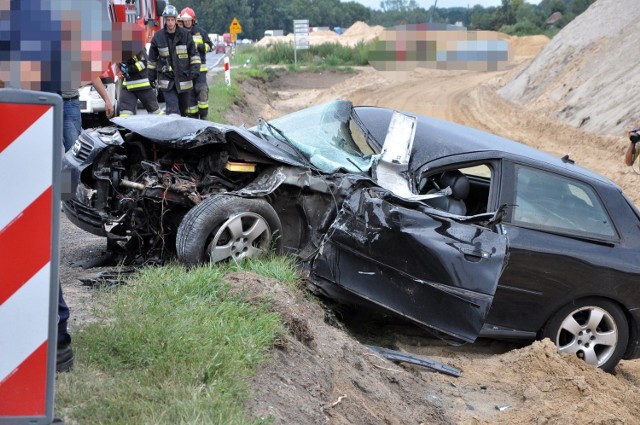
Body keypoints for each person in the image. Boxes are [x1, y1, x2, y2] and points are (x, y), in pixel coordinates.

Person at [148, 5, 201, 116]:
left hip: (184, 80)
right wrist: (151, 77)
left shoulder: (185, 35)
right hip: (167, 81)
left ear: (176, 19)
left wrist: (195, 71)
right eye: (168, 20)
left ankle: (182, 132)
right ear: (165, 20)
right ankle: (173, 132)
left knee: (183, 112)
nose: (170, 22)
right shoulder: (158, 37)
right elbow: (152, 60)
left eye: (172, 19)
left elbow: (194, 55)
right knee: (172, 110)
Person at [178, 7, 213, 120]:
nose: (187, 22)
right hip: (186, 72)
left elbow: (210, 46)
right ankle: (192, 119)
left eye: (189, 20)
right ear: (182, 21)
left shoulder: (201, 32)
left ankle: (204, 117)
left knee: (202, 92)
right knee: (189, 98)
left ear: (193, 20)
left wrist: (200, 47)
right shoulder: (179, 34)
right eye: (185, 20)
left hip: (200, 72)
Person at [117, 49, 162, 116]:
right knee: (125, 111)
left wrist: (129, 69)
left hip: (143, 86)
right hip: (129, 87)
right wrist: (122, 67)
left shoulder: (138, 49)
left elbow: (143, 62)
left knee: (154, 111)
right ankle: (126, 124)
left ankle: (162, 123)